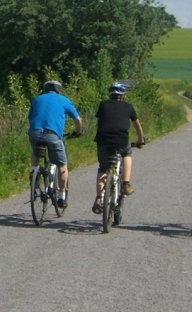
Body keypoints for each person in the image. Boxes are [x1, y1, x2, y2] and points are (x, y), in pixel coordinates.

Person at [27, 80, 83, 208]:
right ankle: (61, 196)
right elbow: (77, 119)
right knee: (62, 166)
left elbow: (30, 117)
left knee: (35, 151)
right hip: (52, 135)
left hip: (35, 133)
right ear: (59, 90)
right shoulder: (63, 100)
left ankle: (34, 171)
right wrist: (78, 132)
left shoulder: (37, 99)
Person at [91, 82, 145, 214]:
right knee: (126, 154)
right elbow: (137, 126)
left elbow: (100, 122)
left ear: (110, 95)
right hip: (121, 140)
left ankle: (99, 198)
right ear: (123, 96)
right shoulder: (128, 107)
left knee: (103, 168)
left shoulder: (103, 105)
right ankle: (126, 183)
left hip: (103, 140)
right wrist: (140, 140)